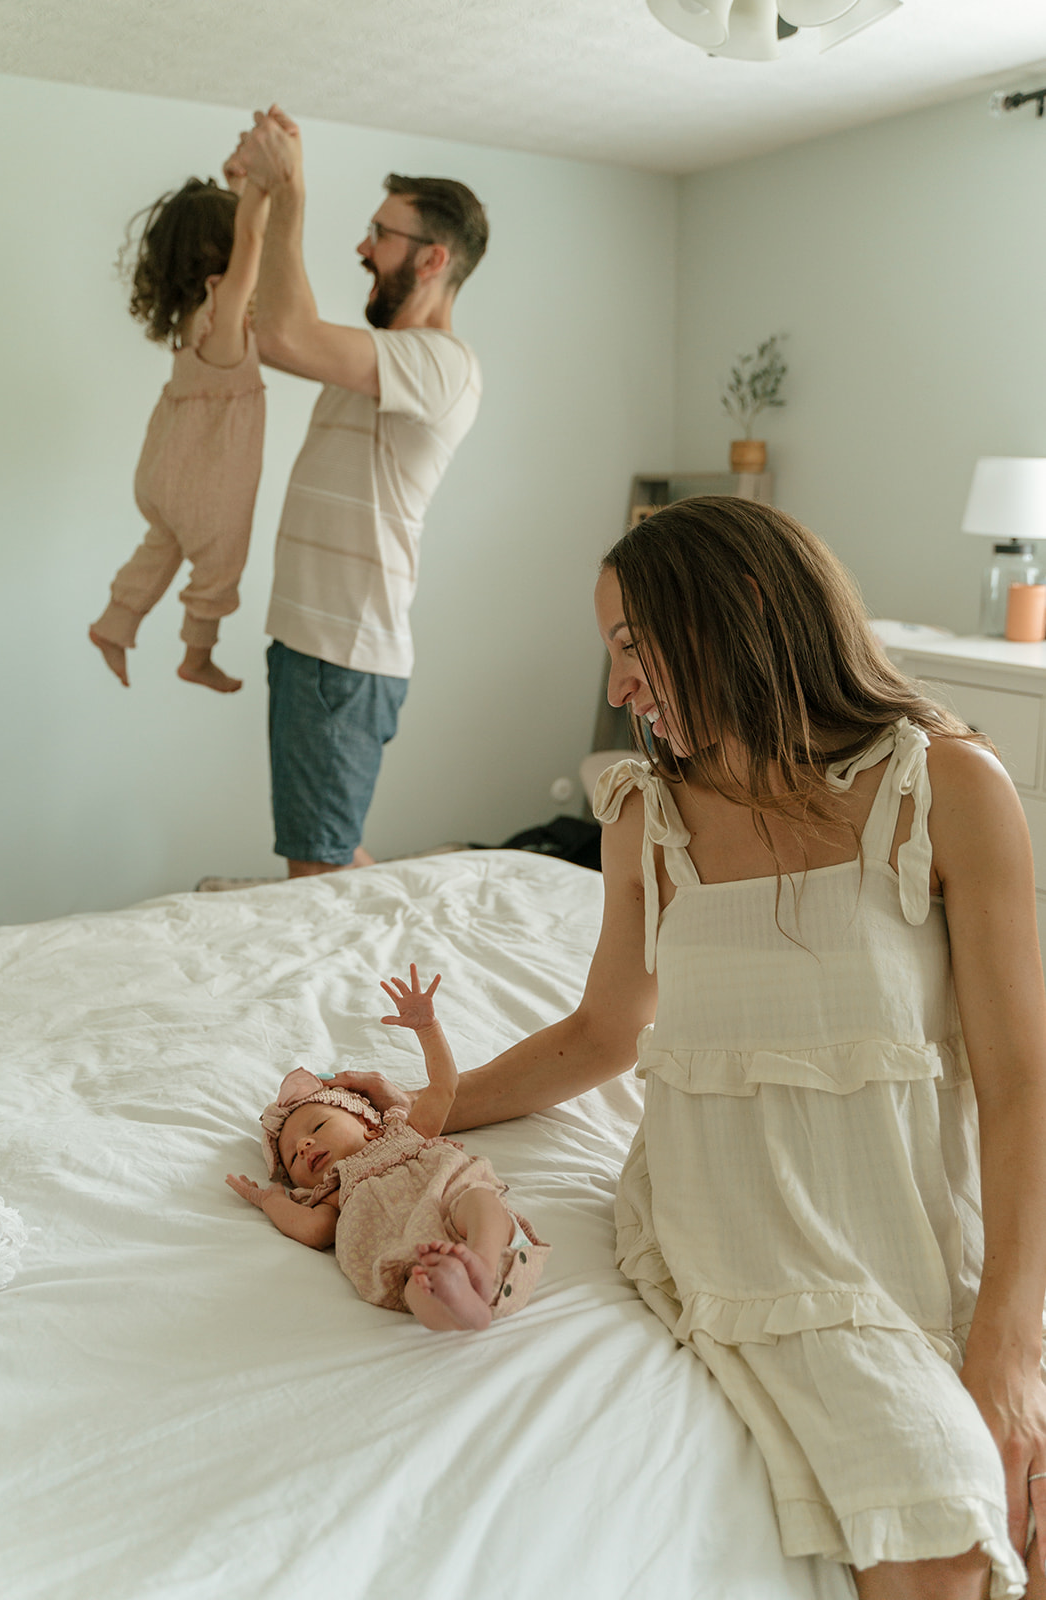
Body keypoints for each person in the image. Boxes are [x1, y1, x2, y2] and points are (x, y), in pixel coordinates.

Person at [339, 497, 1046, 1597]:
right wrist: (427, 1107)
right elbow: (600, 1034)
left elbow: (1017, 1083)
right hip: (744, 1224)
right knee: (943, 1528)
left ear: (742, 608)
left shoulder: (943, 787)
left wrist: (1007, 1345)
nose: (618, 686)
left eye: (630, 643)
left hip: (921, 1215)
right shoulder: (646, 819)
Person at [226, 106, 487, 876]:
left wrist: (292, 190)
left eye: (380, 234)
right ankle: (418, 925)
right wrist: (257, 196)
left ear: (433, 259)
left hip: (339, 654)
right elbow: (264, 327)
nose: (362, 248)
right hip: (315, 646)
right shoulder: (374, 360)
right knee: (328, 848)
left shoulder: (440, 364)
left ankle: (386, 976)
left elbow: (283, 333)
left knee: (316, 867)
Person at [225, 965, 547, 1332]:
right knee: (414, 1286)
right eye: (294, 1156)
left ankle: (482, 1267)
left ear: (366, 1121)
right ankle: (460, 1308)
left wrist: (428, 1030)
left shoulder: (406, 1132)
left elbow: (444, 1086)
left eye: (317, 1126)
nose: (305, 1145)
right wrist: (273, 1201)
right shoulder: (335, 1192)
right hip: (420, 1261)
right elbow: (313, 1230)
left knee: (479, 1200)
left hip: (468, 1224)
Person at [89, 171, 269, 693]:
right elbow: (253, 242)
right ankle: (197, 655)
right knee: (220, 563)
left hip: (162, 466)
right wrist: (258, 189)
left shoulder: (195, 317)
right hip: (209, 479)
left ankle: (114, 624)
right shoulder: (227, 311)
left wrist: (239, 191)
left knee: (162, 544)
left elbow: (241, 241)